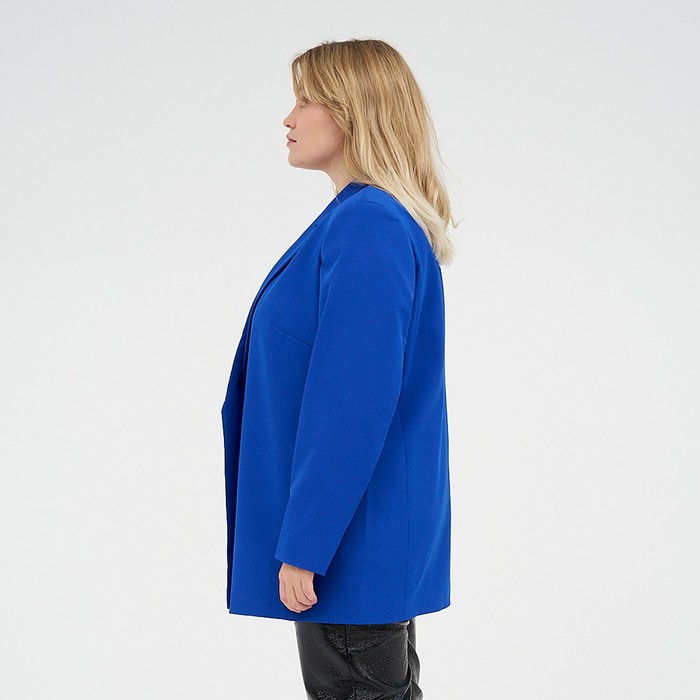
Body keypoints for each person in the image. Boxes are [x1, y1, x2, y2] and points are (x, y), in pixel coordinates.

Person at [221, 38, 457, 699]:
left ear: (353, 111)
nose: (288, 118)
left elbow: (352, 405)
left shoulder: (367, 224)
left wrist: (306, 544)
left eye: (305, 100)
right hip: (360, 544)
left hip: (349, 549)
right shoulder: (362, 219)